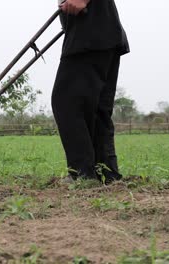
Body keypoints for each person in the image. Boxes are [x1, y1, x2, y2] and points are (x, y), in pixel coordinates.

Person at [52, 0, 130, 183]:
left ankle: (83, 174)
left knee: (67, 103)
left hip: (89, 31)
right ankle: (107, 174)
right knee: (95, 109)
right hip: (100, 30)